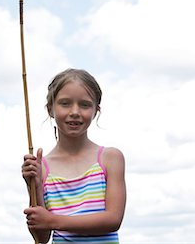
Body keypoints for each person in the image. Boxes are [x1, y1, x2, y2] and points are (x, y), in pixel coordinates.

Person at [22, 68, 126, 244]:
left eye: (84, 104)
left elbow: (113, 220)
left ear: (96, 111)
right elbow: (42, 238)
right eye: (65, 103)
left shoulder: (110, 158)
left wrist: (53, 220)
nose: (75, 111)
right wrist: (35, 185)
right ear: (50, 109)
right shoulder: (43, 167)